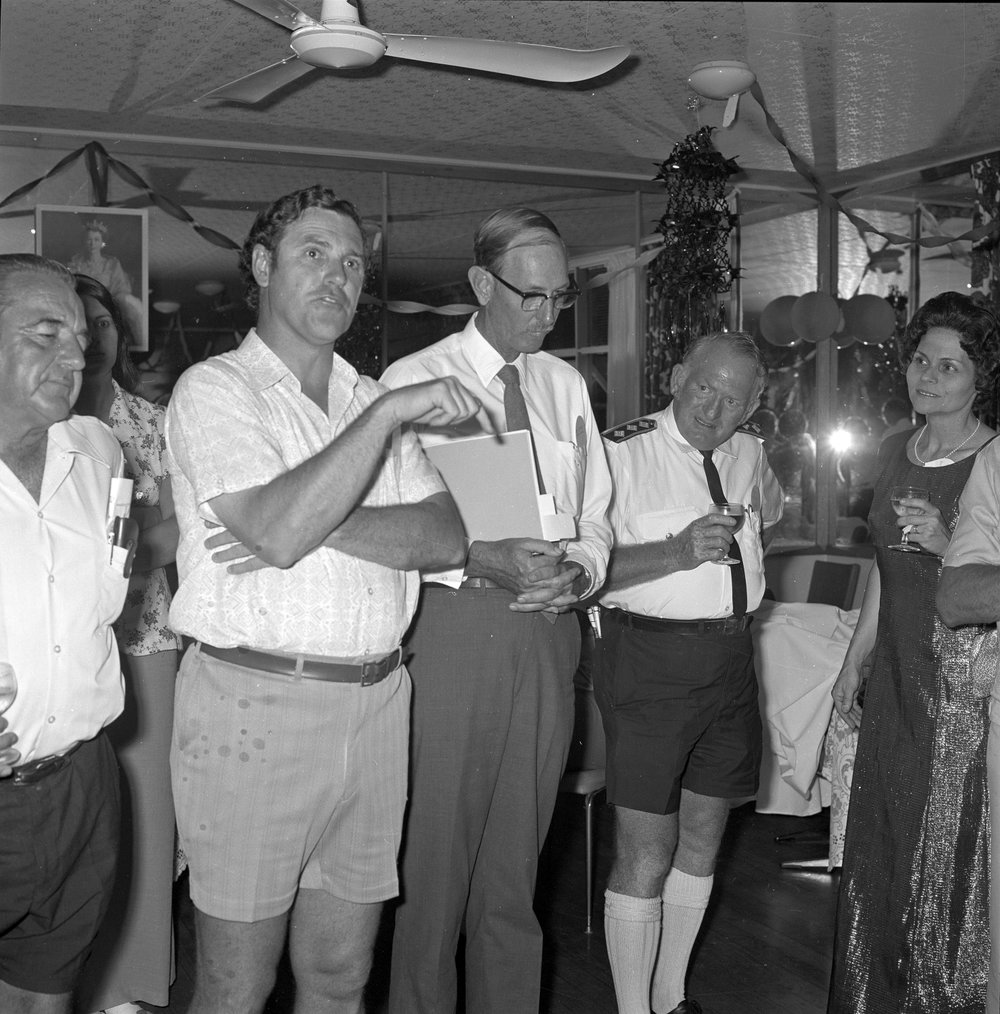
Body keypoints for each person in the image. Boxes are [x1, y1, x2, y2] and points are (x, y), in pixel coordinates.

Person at [164, 184, 478, 1014]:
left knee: (341, 979)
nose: (337, 276)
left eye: (351, 263)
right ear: (262, 266)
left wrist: (310, 518)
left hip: (378, 703)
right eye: (313, 254)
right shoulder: (216, 389)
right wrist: (382, 427)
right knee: (236, 986)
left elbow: (445, 537)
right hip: (252, 706)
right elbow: (272, 527)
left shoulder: (363, 394)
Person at [380, 207, 613, 1013]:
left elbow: (597, 516)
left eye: (561, 298)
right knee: (434, 871)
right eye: (532, 296)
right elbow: (387, 524)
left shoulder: (565, 385)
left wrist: (581, 572)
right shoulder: (411, 383)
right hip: (455, 630)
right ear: (482, 283)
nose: (548, 315)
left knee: (517, 871)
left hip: (547, 633)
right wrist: (482, 557)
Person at [594, 330, 782, 1014]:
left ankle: (671, 996)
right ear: (676, 376)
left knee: (705, 836)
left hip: (734, 659)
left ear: (754, 404)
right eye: (705, 387)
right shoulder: (615, 453)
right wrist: (675, 555)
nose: (715, 409)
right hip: (649, 660)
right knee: (647, 849)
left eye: (735, 398)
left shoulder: (751, 453)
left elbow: (767, 525)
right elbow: (577, 573)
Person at [829, 291, 1000, 1013]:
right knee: (884, 843)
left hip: (956, 680)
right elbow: (880, 564)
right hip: (895, 671)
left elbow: (978, 582)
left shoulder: (992, 459)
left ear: (980, 378)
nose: (929, 377)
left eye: (950, 367)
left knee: (941, 855)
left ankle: (939, 1001)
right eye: (921, 361)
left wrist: (942, 545)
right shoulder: (898, 448)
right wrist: (854, 658)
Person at [0, 254, 130, 1012]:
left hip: (82, 786)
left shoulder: (101, 452)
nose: (76, 356)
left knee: (45, 998)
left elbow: (102, 602)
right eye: (44, 333)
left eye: (79, 337)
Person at [72, 274, 181, 1014]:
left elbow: (181, 531)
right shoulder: (29, 426)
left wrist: (121, 553)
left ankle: (131, 992)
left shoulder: (152, 423)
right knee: (64, 823)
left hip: (144, 642)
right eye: (82, 322)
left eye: (106, 320)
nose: (97, 334)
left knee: (145, 820)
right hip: (53, 656)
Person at [68, 220, 145, 349]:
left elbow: (120, 287)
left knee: (130, 304)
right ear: (84, 242)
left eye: (96, 240)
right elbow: (70, 286)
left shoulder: (112, 263)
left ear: (102, 243)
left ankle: (138, 343)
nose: (92, 244)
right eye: (89, 240)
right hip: (82, 303)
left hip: (108, 303)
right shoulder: (76, 263)